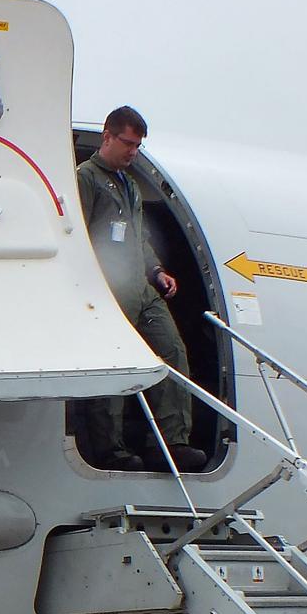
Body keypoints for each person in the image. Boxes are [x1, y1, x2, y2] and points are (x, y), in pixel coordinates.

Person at [75, 106, 204, 472]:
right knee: (115, 365)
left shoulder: (130, 184)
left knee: (171, 352)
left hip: (140, 286)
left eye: (137, 146)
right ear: (108, 137)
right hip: (110, 290)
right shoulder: (87, 178)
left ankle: (171, 442)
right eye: (128, 143)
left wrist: (157, 270)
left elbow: (138, 236)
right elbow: (77, 234)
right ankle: (108, 448)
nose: (133, 152)